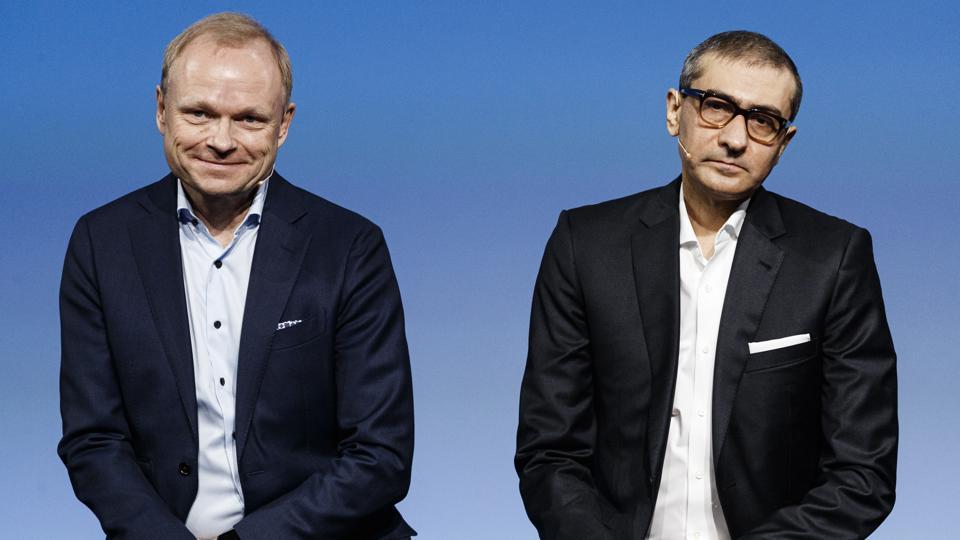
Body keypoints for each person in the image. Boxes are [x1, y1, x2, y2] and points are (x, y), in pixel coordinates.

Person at [516, 30, 897, 539]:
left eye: (763, 120)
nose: (736, 137)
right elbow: (550, 450)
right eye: (717, 106)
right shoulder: (584, 245)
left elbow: (863, 473)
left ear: (783, 144)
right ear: (676, 111)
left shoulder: (833, 257)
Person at [58, 13, 415, 540]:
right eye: (199, 113)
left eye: (248, 119)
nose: (221, 141)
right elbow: (94, 440)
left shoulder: (350, 248)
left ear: (284, 124)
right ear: (161, 110)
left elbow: (380, 454)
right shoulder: (100, 243)